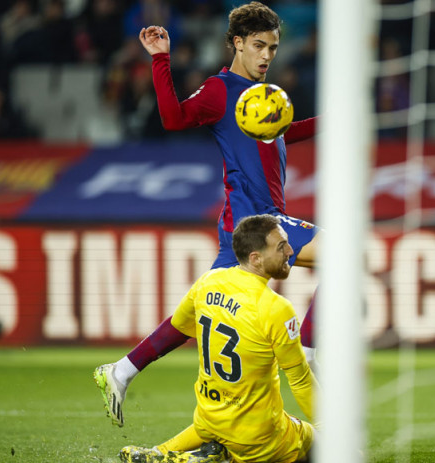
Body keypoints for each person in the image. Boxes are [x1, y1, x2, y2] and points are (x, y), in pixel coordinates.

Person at [94, 1, 321, 428]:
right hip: (255, 221)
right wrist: (161, 59)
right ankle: (308, 349)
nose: (267, 56)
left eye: (272, 47)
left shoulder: (263, 98)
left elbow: (284, 131)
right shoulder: (220, 91)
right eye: (258, 46)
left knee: (200, 309)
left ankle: (122, 370)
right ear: (237, 43)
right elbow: (173, 118)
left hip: (246, 225)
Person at [119, 214, 317, 463]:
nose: (291, 251)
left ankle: (162, 452)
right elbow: (300, 381)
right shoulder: (277, 308)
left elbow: (179, 326)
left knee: (218, 427)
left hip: (210, 419)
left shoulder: (207, 282)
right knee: (322, 443)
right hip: (260, 437)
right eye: (281, 247)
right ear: (255, 258)